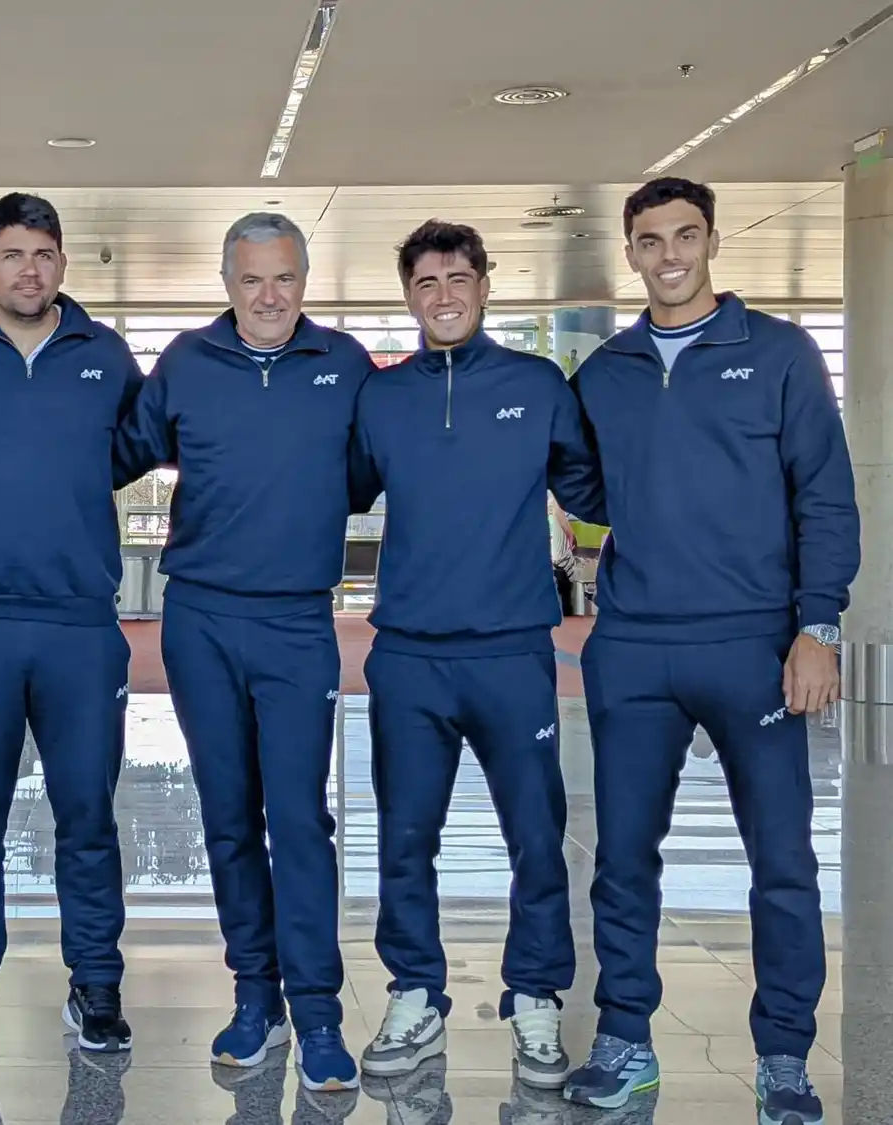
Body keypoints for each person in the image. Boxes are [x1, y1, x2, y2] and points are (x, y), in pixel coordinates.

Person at [564, 177, 857, 1124]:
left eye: (686, 236)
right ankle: (624, 1039)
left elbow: (825, 495)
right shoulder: (606, 371)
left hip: (755, 648)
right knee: (621, 859)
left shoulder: (776, 352)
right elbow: (589, 490)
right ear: (631, 251)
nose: (670, 255)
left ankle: (782, 1057)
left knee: (781, 860)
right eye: (650, 241)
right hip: (636, 648)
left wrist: (818, 627)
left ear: (713, 240)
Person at [113, 212, 373, 1092]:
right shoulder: (186, 362)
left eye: (286, 278)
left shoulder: (342, 366)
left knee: (299, 820)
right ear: (228, 283)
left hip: (298, 622)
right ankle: (255, 995)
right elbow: (115, 451)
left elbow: (374, 470)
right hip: (203, 621)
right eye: (253, 279)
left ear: (307, 280)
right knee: (229, 816)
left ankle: (322, 1010)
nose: (270, 296)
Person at [347, 220, 606, 1089]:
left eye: (459, 278)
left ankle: (535, 997)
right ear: (409, 295)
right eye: (426, 282)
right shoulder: (382, 398)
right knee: (404, 838)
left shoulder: (537, 386)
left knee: (537, 837)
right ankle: (416, 991)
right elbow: (328, 489)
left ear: (487, 286)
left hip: (510, 653)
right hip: (409, 656)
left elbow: (601, 488)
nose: (445, 295)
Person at [0, 193, 144, 1062]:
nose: (29, 270)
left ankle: (96, 982)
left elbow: (124, 452)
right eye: (12, 254)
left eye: (44, 253)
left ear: (62, 263)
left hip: (80, 625)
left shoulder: (105, 355)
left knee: (88, 813)